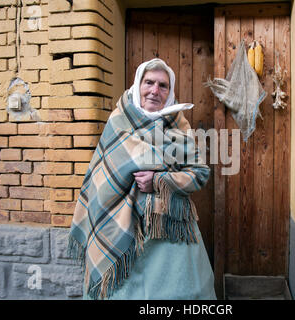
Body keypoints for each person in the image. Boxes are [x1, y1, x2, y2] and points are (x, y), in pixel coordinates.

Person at [68, 58, 216, 300]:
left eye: (163, 85)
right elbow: (101, 175)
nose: (155, 90)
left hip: (168, 226)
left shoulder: (180, 125)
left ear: (170, 91)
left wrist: (160, 181)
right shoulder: (119, 120)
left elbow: (199, 173)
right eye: (149, 82)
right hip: (119, 225)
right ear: (138, 84)